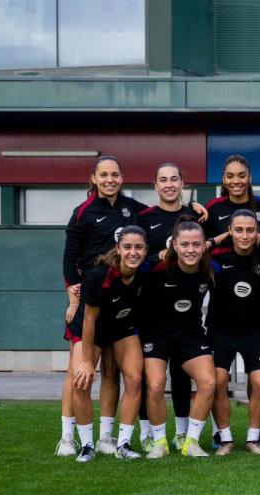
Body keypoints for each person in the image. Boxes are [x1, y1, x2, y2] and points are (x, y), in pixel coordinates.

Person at [59, 156, 148, 457]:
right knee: (78, 373)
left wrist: (195, 210)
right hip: (90, 300)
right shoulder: (83, 212)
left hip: (120, 308)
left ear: (122, 178)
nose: (110, 179)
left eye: (115, 174)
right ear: (94, 178)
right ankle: (70, 438)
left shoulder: (133, 209)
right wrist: (73, 299)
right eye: (104, 175)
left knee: (113, 374)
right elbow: (69, 260)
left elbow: (164, 220)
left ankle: (109, 439)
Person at [140, 218, 220, 458]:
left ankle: (191, 442)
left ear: (204, 245)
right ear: (174, 245)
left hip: (191, 335)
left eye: (196, 244)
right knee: (154, 385)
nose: (191, 250)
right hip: (157, 335)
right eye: (184, 244)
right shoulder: (155, 267)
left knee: (209, 383)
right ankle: (160, 442)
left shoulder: (210, 270)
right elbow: (125, 273)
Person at [69, 227, 149, 461]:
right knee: (81, 381)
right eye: (127, 247)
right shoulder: (100, 275)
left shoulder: (146, 271)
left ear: (146, 250)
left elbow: (173, 254)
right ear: (118, 249)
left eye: (139, 247)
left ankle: (123, 443)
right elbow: (89, 319)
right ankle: (87, 445)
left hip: (121, 329)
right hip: (91, 329)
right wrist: (85, 361)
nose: (133, 252)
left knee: (135, 378)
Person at [207, 210, 260, 455]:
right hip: (221, 330)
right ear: (230, 230)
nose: (245, 235)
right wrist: (218, 238)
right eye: (238, 230)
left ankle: (253, 438)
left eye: (250, 230)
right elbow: (195, 252)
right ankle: (225, 439)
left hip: (256, 330)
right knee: (218, 382)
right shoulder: (218, 255)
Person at [135, 163, 198, 452]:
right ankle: (148, 432)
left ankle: (182, 433)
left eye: (175, 179)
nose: (169, 184)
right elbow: (133, 253)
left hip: (186, 313)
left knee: (182, 376)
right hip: (152, 312)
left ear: (183, 183)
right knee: (153, 381)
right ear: (155, 185)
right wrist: (155, 257)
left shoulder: (195, 215)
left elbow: (204, 247)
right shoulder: (145, 218)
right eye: (164, 180)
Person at [203, 154, 260, 238]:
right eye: (229, 176)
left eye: (242, 176)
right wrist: (193, 204)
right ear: (224, 179)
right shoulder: (212, 207)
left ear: (249, 178)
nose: (236, 181)